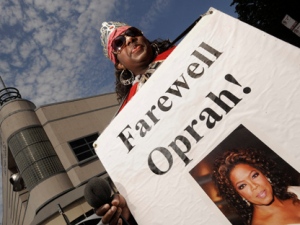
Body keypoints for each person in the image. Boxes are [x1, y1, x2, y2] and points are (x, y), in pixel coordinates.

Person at [94, 21, 176, 225]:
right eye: (119, 43)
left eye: (132, 33)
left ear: (142, 35)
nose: (129, 39)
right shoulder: (126, 116)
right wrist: (132, 209)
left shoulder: (194, 47)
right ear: (119, 63)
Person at [212, 148, 300, 225]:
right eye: (242, 186)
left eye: (254, 176)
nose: (254, 186)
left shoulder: (294, 191)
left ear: (264, 173)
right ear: (238, 194)